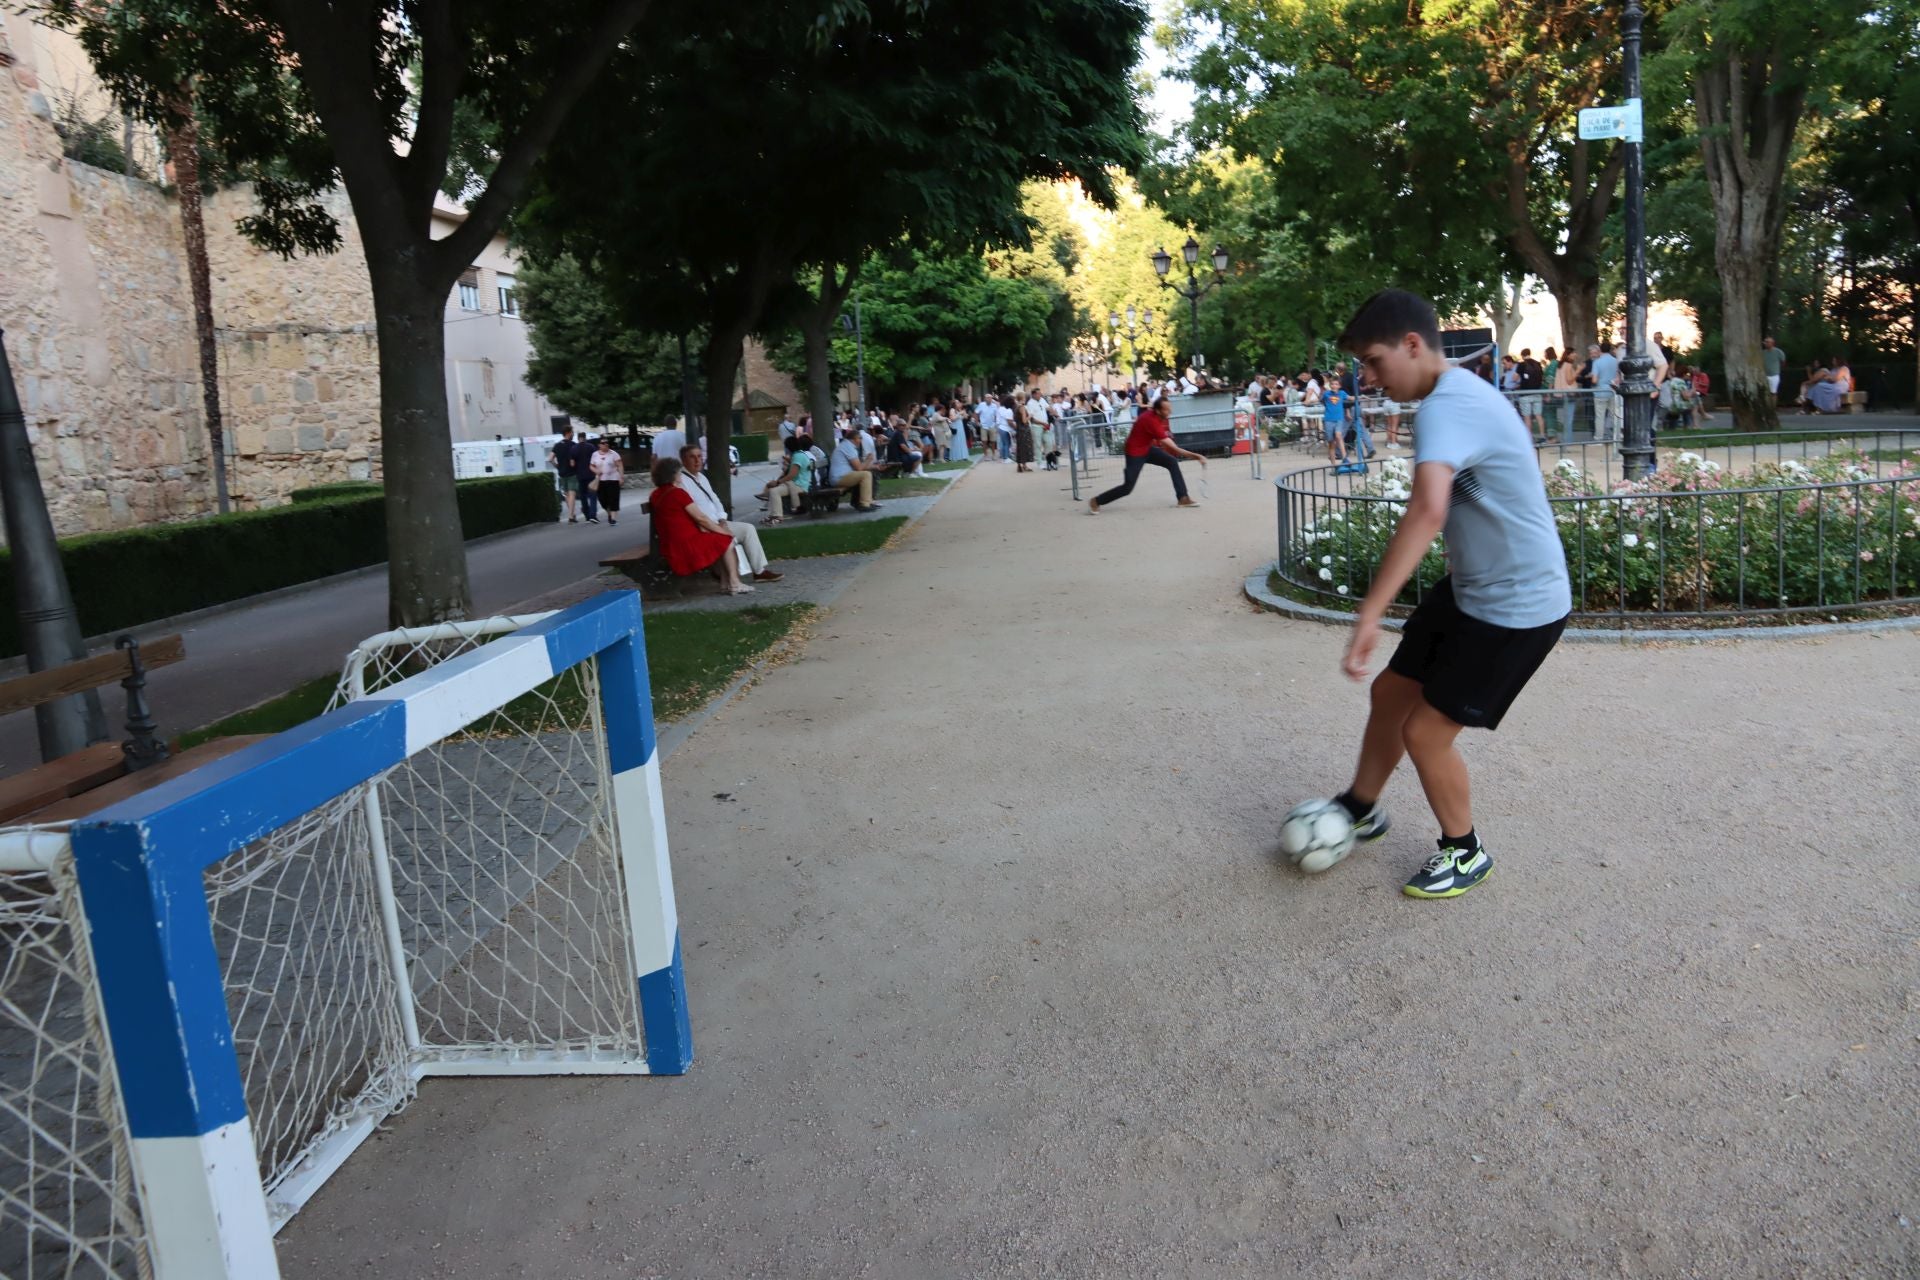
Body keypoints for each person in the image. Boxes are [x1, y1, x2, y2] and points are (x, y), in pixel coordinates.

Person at [1317, 288, 1570, 900]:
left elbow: (1429, 510)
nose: (1371, 379)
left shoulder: (1446, 406)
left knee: (1426, 732)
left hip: (1518, 607)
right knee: (1391, 693)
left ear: (1412, 344)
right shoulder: (1453, 396)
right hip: (1471, 591)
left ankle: (1464, 851)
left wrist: (1369, 614)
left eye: (1375, 362)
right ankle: (1362, 806)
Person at [677, 444, 783, 582]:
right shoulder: (681, 481)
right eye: (692, 457)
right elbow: (694, 513)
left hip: (718, 522)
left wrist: (722, 520)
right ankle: (726, 575)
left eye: (699, 456)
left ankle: (759, 571)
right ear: (683, 460)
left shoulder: (702, 478)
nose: (697, 461)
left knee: (748, 529)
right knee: (728, 538)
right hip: (703, 527)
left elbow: (715, 500)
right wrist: (716, 526)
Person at [648, 457, 752, 595]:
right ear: (673, 475)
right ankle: (735, 583)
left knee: (718, 540)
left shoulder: (655, 494)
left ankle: (724, 583)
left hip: (669, 543)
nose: (681, 476)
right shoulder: (678, 493)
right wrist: (723, 531)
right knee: (726, 542)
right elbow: (701, 518)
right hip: (684, 544)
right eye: (679, 473)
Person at [1087, 395, 1205, 512]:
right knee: (1127, 488)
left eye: (1170, 408)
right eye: (1166, 409)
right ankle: (1096, 501)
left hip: (1147, 448)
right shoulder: (1152, 421)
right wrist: (1197, 456)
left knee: (1172, 462)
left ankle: (1183, 498)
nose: (1170, 411)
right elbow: (1175, 449)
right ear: (1158, 411)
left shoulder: (1155, 415)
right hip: (1135, 452)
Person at [829, 421, 881, 510]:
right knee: (866, 475)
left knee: (867, 473)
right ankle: (865, 504)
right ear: (853, 439)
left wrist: (874, 467)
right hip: (839, 478)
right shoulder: (848, 447)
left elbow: (858, 467)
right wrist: (868, 459)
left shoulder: (847, 446)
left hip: (842, 476)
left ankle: (867, 501)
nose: (861, 440)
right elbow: (859, 468)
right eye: (859, 438)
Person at [760, 436, 812, 523]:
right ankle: (774, 514)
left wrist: (777, 482)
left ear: (789, 447)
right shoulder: (800, 454)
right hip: (800, 484)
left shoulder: (797, 456)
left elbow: (792, 475)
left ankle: (777, 516)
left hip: (799, 486)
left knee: (774, 491)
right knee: (774, 490)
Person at [1588, 341, 1621, 441]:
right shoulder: (1615, 361)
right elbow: (1618, 376)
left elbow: (1594, 380)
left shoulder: (1597, 362)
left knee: (1600, 416)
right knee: (1614, 415)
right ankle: (1617, 436)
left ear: (1600, 350)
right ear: (1610, 349)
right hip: (1613, 390)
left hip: (1600, 391)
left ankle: (1599, 438)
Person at [588, 437, 625, 525]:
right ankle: (609, 514)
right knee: (603, 500)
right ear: (599, 445)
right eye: (603, 443)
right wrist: (596, 471)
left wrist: (621, 477)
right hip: (600, 481)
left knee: (613, 499)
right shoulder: (595, 455)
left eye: (607, 442)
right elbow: (591, 466)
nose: (606, 444)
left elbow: (620, 465)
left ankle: (613, 519)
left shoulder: (613, 454)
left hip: (613, 479)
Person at [551, 426, 582, 523]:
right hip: (572, 472)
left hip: (562, 473)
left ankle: (572, 514)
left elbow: (550, 458)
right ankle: (570, 516)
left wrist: (557, 466)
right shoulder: (573, 445)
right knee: (572, 493)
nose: (573, 434)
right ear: (568, 433)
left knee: (567, 494)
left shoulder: (557, 445)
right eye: (572, 432)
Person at [1516, 348, 1545, 441]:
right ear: (1529, 353)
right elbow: (1542, 377)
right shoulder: (1538, 364)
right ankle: (1542, 436)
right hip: (1537, 393)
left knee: (1527, 417)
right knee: (1538, 415)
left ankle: (1529, 438)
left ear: (1522, 355)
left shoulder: (1521, 365)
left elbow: (1515, 378)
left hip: (1525, 393)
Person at [1762, 337, 1786, 402]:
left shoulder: (1778, 352)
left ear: (1772, 343)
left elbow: (1783, 361)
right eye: (1765, 342)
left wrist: (1777, 369)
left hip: (1774, 375)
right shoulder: (1763, 352)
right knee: (1765, 393)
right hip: (1764, 375)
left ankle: (1772, 408)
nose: (1765, 343)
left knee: (1773, 392)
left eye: (1767, 342)